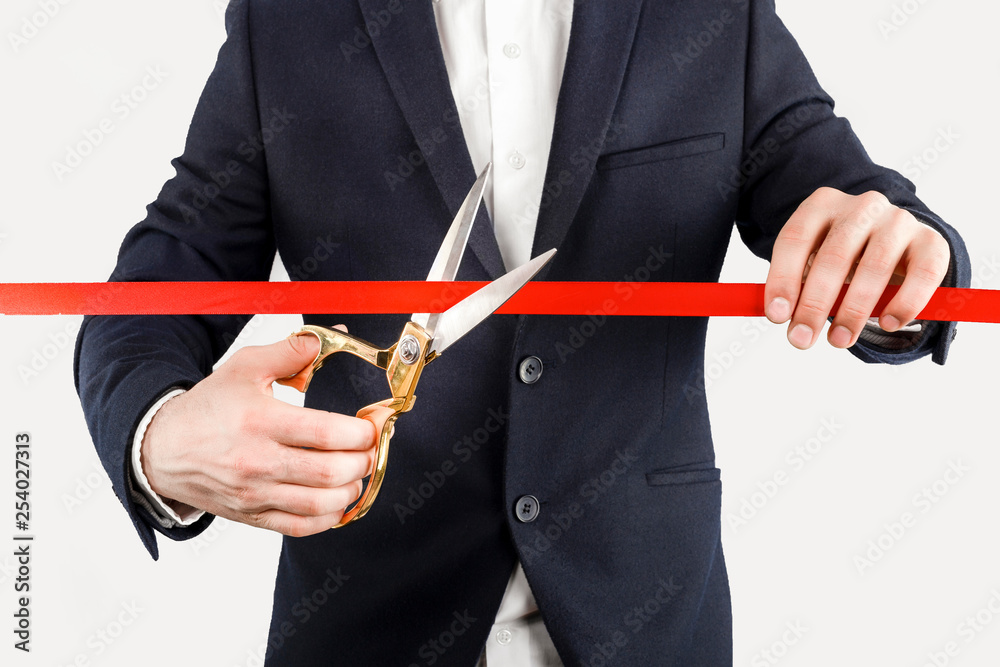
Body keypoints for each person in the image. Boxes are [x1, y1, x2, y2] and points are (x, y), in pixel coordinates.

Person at [74, 1, 970, 665]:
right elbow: (163, 275)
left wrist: (900, 258)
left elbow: (859, 209)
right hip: (366, 628)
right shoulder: (290, 17)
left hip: (651, 625)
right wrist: (159, 438)